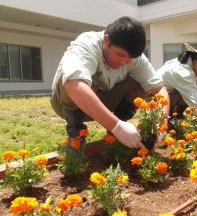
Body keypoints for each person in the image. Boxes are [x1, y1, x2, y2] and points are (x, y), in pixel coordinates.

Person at [50, 16, 170, 149]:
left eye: (130, 58)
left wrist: (161, 124)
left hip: (102, 101)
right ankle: (76, 137)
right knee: (71, 80)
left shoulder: (134, 58)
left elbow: (159, 89)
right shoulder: (86, 44)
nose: (125, 62)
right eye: (120, 55)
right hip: (67, 105)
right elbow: (73, 87)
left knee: (140, 83)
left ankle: (115, 135)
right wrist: (117, 127)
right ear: (106, 40)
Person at [157, 43, 197, 117]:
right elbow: (195, 101)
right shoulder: (183, 73)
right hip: (156, 99)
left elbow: (196, 81)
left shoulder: (186, 63)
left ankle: (175, 117)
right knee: (190, 95)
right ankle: (172, 117)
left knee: (194, 94)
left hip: (163, 94)